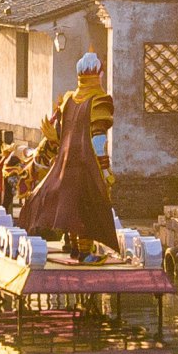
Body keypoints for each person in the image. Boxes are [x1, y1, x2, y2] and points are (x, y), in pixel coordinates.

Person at [17, 53, 124, 257]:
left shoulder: (68, 100)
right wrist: (104, 168)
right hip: (86, 164)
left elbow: (62, 134)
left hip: (65, 163)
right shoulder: (99, 101)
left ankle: (74, 247)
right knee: (87, 206)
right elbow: (98, 139)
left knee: (70, 204)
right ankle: (84, 253)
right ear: (98, 73)